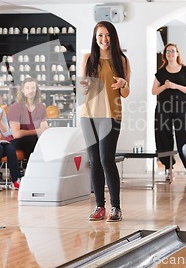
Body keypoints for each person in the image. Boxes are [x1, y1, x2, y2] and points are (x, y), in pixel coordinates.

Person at [79, 21, 130, 222]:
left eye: (107, 35)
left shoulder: (122, 60)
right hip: (88, 115)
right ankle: (99, 206)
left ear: (113, 37)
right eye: (100, 36)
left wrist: (123, 83)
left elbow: (125, 93)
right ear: (95, 38)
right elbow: (83, 89)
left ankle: (115, 207)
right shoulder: (87, 58)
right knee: (94, 162)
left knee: (106, 159)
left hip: (111, 115)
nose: (104, 40)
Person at [152, 43, 186, 181]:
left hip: (182, 108)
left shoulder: (185, 71)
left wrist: (175, 86)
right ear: (165, 54)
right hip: (163, 109)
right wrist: (165, 86)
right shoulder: (161, 72)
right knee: (163, 137)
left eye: (173, 51)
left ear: (177, 53)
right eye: (168, 51)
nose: (170, 53)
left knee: (185, 138)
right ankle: (168, 168)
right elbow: (154, 91)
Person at [6, 77, 49, 162]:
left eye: (33, 88)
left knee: (44, 141)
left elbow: (44, 128)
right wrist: (37, 131)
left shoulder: (41, 107)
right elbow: (16, 134)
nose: (31, 91)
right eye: (27, 88)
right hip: (14, 141)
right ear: (22, 90)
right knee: (32, 140)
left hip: (32, 138)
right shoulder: (15, 107)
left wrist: (42, 130)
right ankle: (31, 169)